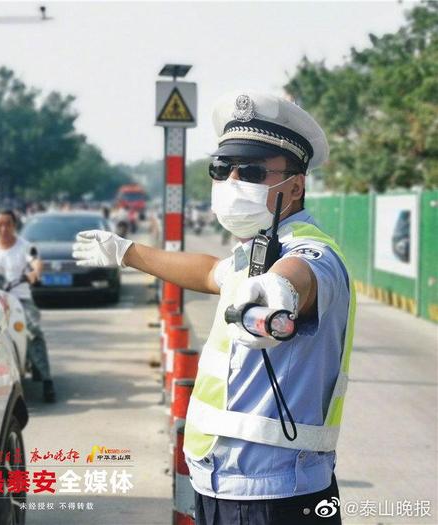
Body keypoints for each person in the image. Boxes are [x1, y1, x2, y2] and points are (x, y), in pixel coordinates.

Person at [73, 92, 354, 525]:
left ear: (295, 185)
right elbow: (209, 273)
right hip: (222, 481)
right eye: (223, 169)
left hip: (274, 493)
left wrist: (278, 291)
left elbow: (302, 275)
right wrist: (126, 252)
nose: (232, 181)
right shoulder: (254, 251)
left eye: (253, 171)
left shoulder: (311, 253)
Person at [0, 209, 56, 403]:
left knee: (33, 331)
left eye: (8, 224)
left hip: (21, 300)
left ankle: (47, 379)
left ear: (14, 225)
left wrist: (34, 273)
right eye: (0, 224)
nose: (3, 228)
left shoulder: (25, 247)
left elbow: (37, 261)